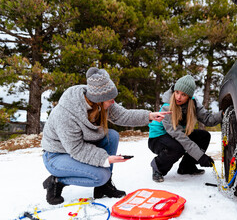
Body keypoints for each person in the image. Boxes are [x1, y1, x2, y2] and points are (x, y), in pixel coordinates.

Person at [41, 67, 170, 205]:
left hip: (78, 149)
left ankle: (104, 187)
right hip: (57, 155)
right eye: (110, 99)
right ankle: (56, 181)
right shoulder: (67, 114)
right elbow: (77, 149)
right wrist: (105, 159)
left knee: (112, 136)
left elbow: (123, 115)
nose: (113, 102)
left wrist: (149, 116)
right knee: (100, 176)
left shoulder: (101, 101)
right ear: (98, 100)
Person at [148, 75, 223, 182]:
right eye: (177, 92)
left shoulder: (194, 104)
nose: (178, 97)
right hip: (157, 138)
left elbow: (208, 119)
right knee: (177, 147)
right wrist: (200, 156)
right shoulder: (167, 107)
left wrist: (223, 114)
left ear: (189, 97)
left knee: (204, 136)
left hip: (174, 136)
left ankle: (186, 167)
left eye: (183, 94)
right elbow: (179, 135)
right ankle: (158, 167)